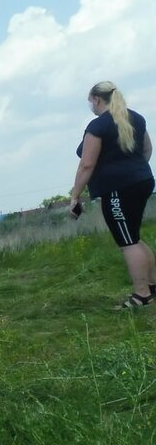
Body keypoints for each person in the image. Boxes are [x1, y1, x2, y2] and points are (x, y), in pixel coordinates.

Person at [69, 80, 155, 308]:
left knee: (127, 242)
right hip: (143, 180)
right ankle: (152, 286)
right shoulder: (135, 117)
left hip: (117, 189)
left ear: (97, 99)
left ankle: (142, 295)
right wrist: (134, 172)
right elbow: (147, 149)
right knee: (134, 237)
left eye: (91, 102)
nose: (91, 106)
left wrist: (75, 195)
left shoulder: (98, 126)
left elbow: (86, 165)